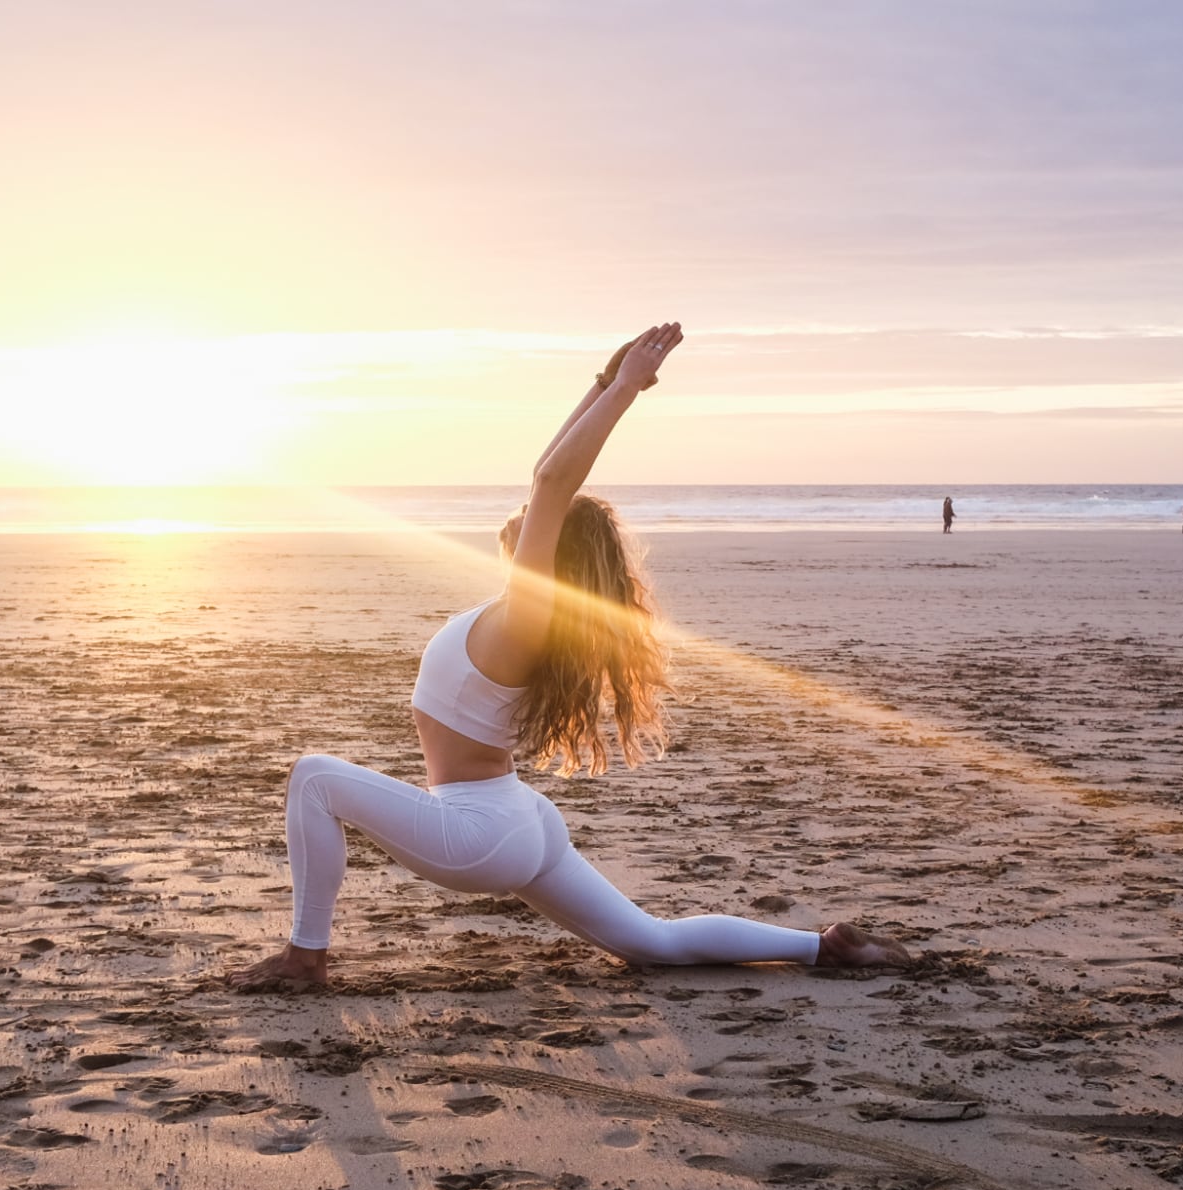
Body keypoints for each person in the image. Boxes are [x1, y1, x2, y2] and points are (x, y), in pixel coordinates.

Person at [226, 323, 910, 990]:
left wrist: (627, 393)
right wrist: (601, 381)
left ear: (554, 551)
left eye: (540, 518)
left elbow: (553, 479)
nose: (526, 511)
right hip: (518, 820)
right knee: (653, 943)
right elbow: (543, 478)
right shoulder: (530, 615)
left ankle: (304, 958)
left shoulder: (530, 612)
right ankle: (823, 948)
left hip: (476, 830)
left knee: (314, 776)